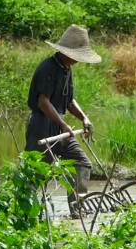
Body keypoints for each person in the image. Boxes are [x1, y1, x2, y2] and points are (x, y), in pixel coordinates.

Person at [24, 24, 101, 218]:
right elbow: (43, 102)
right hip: (42, 126)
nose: (78, 60)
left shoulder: (66, 69)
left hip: (60, 126)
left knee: (82, 163)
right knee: (37, 174)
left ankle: (77, 210)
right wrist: (63, 125)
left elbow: (69, 100)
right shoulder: (48, 68)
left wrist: (84, 118)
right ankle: (27, 215)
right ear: (67, 52)